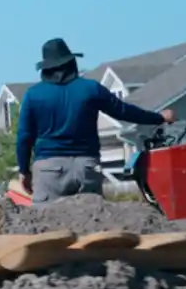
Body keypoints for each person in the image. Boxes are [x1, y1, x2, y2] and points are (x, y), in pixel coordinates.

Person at [15, 37, 174, 201]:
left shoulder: (33, 95)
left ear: (45, 68)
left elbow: (24, 138)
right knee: (92, 222)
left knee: (48, 223)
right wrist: (159, 117)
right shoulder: (90, 89)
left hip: (49, 171)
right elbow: (124, 111)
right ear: (71, 64)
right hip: (87, 167)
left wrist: (24, 171)